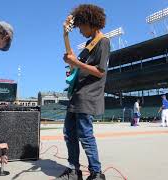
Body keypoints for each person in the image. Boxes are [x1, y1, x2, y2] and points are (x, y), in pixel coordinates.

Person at [56, 4, 110, 180]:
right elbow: (73, 60)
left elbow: (101, 71)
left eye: (81, 26)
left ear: (90, 22)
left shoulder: (103, 41)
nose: (79, 30)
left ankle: (96, 173)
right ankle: (74, 170)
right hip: (77, 94)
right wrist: (65, 35)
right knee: (69, 133)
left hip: (88, 95)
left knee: (85, 135)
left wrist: (77, 64)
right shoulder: (89, 44)